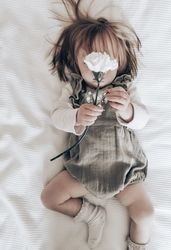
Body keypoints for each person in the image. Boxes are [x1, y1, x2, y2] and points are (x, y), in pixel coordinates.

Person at [41, 0, 154, 249]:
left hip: (125, 172)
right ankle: (92, 215)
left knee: (145, 214)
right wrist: (76, 118)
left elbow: (143, 119)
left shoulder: (125, 89)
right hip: (83, 170)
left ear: (121, 61)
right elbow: (57, 116)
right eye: (88, 59)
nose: (96, 67)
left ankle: (137, 245)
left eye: (108, 58)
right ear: (76, 62)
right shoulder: (74, 90)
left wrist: (128, 110)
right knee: (50, 196)